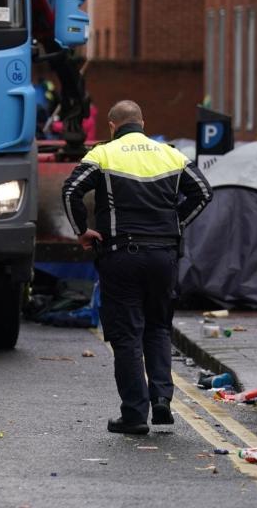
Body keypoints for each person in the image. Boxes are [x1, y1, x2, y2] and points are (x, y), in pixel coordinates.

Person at [61, 100, 212, 434]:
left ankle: (134, 413)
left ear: (112, 127)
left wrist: (81, 230)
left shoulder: (104, 154)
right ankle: (161, 400)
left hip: (121, 255)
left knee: (127, 335)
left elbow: (71, 188)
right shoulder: (170, 155)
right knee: (158, 328)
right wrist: (176, 224)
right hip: (164, 256)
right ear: (143, 123)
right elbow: (203, 192)